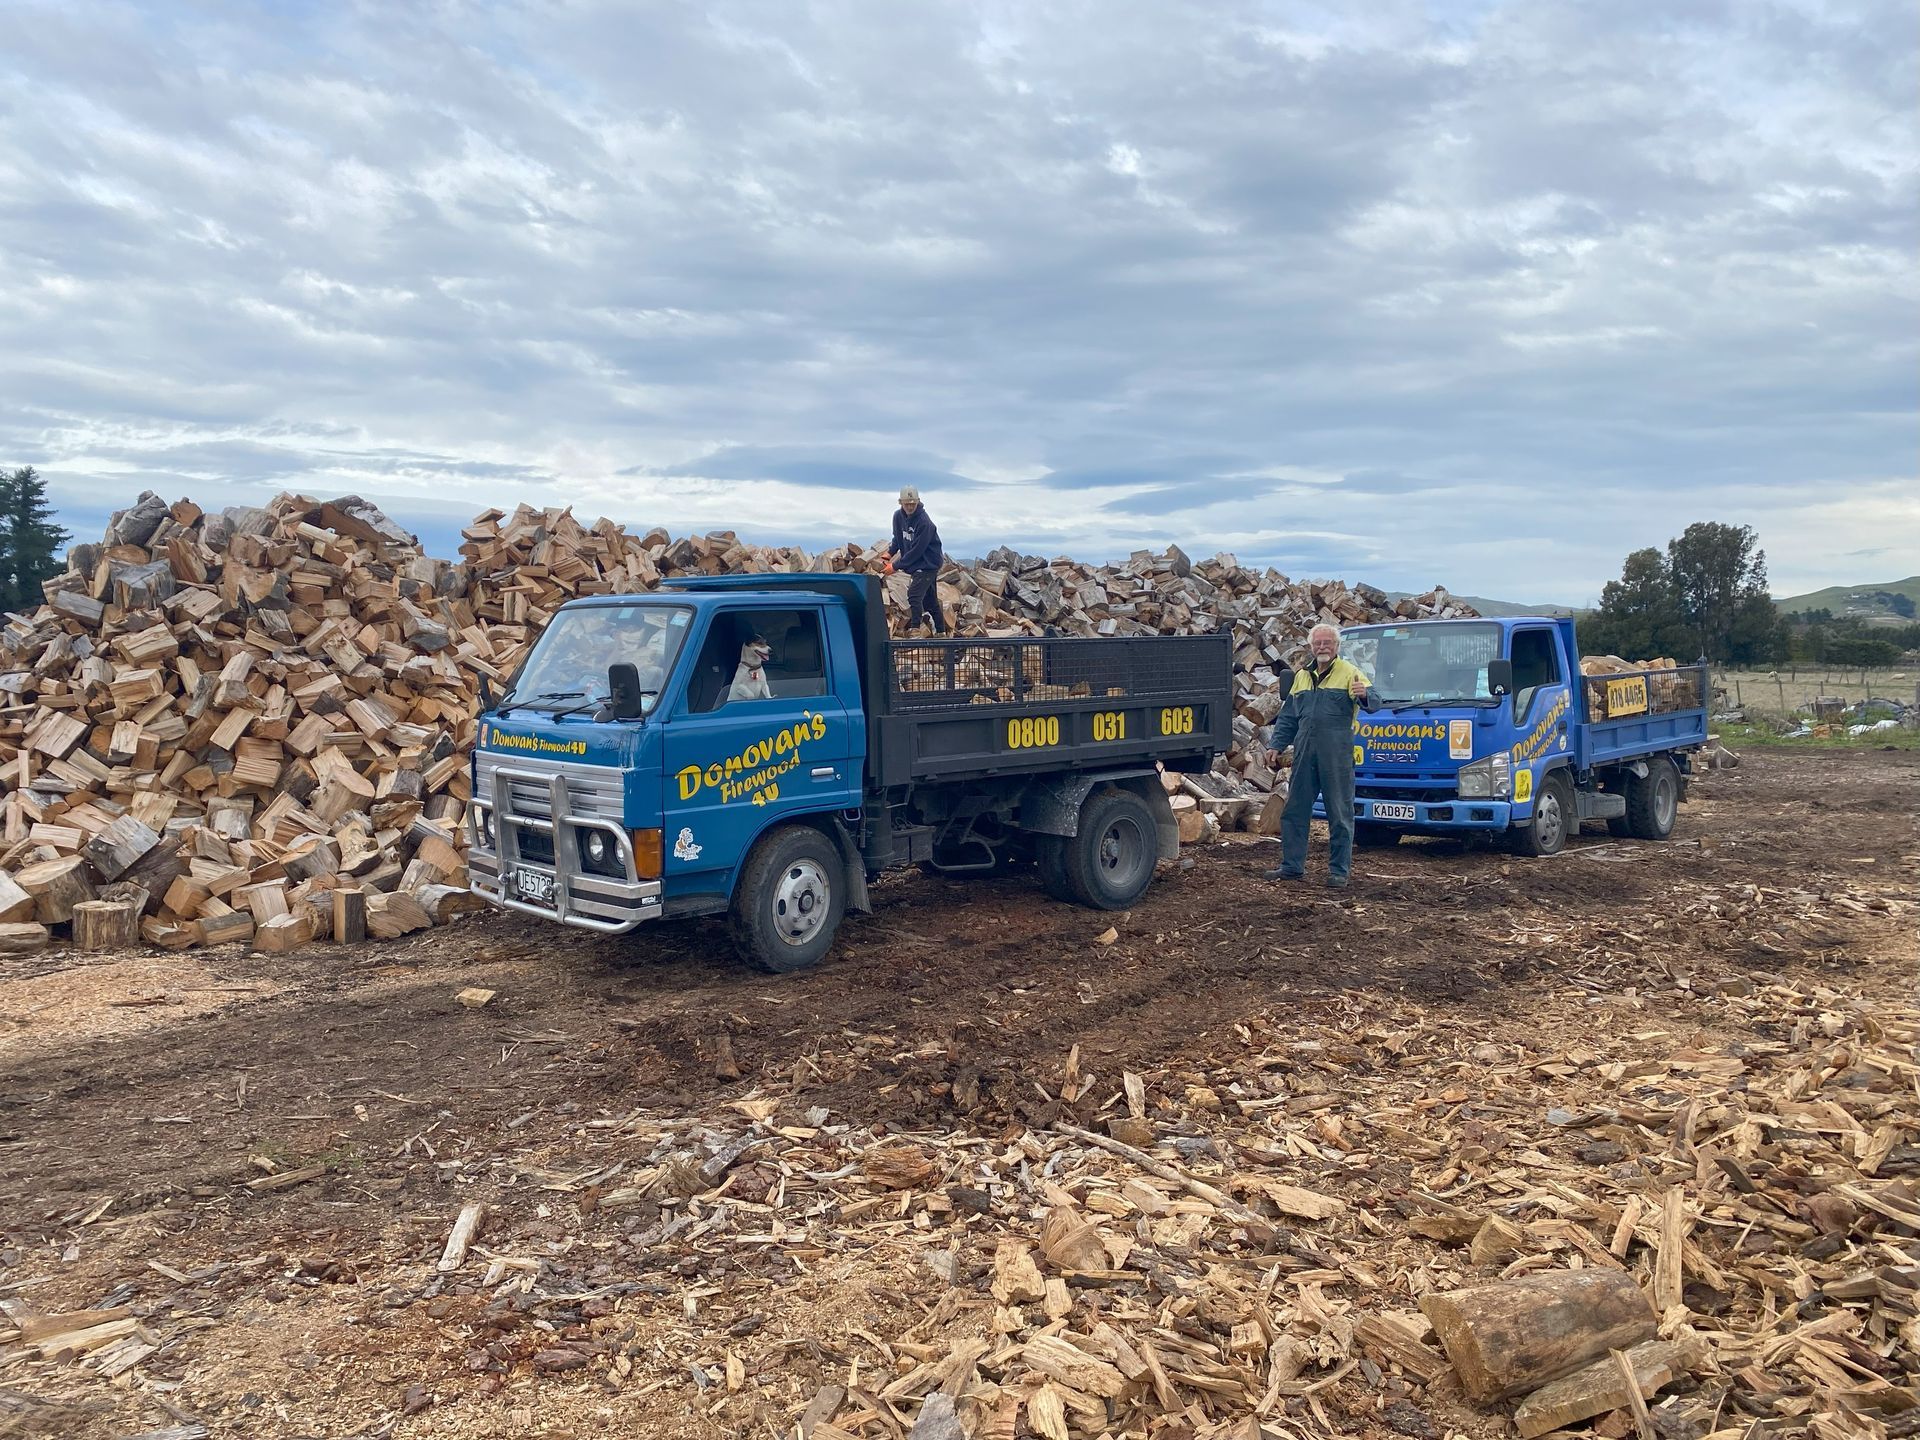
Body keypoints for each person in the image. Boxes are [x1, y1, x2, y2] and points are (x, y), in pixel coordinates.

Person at [1262, 623, 1376, 888]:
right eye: (1318, 643)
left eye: (1327, 643)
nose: (1322, 647)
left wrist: (1366, 696)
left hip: (1336, 754)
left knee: (1340, 812)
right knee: (1295, 810)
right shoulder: (1302, 676)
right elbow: (1289, 717)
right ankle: (1291, 867)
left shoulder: (1351, 673)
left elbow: (1374, 701)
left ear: (1336, 646)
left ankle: (1339, 872)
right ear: (1311, 646)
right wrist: (1275, 745)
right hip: (1304, 752)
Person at [883, 485, 947, 634]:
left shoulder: (924, 522)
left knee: (914, 595)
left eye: (913, 503)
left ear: (918, 501)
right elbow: (898, 538)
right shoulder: (898, 517)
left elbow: (917, 550)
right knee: (930, 602)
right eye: (907, 504)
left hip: (928, 563)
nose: (910, 507)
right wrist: (889, 553)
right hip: (916, 564)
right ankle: (941, 632)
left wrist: (896, 566)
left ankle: (915, 629)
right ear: (901, 503)